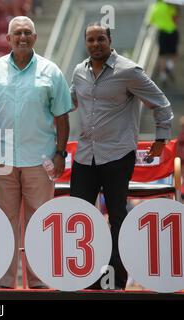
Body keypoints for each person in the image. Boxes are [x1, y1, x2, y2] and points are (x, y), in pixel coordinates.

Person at [69, 22, 173, 290]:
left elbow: (161, 103)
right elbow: (67, 102)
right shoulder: (79, 71)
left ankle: (115, 280)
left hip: (117, 154)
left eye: (100, 39)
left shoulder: (129, 71)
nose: (95, 44)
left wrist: (161, 137)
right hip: (84, 156)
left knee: (117, 216)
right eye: (90, 40)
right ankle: (85, 275)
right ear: (85, 42)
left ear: (110, 39)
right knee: (80, 216)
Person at [0, 16, 72, 289]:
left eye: (27, 33)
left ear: (35, 38)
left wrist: (60, 153)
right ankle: (5, 282)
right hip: (2, 160)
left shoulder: (51, 71)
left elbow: (62, 118)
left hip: (40, 158)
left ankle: (39, 281)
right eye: (17, 33)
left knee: (39, 222)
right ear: (8, 39)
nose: (22, 37)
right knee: (4, 221)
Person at [149, 0, 180, 86]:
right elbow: (175, 20)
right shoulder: (170, 7)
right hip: (172, 32)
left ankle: (163, 77)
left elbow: (151, 21)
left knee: (162, 56)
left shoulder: (154, 8)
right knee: (174, 55)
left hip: (162, 33)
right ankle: (168, 69)